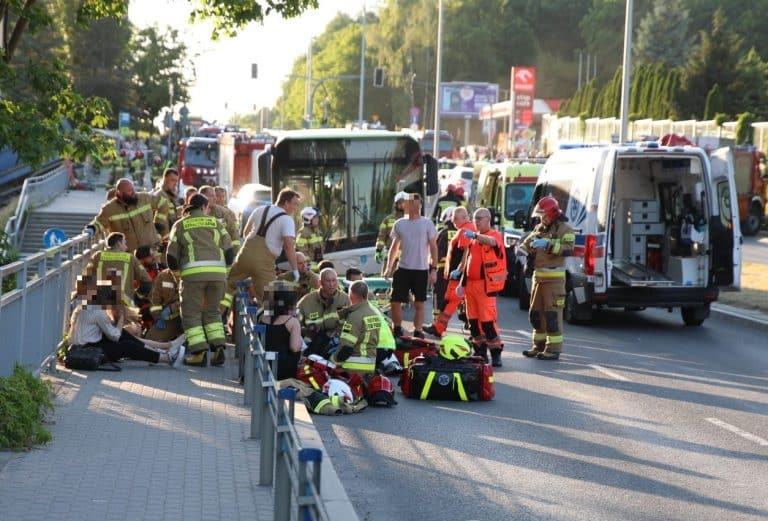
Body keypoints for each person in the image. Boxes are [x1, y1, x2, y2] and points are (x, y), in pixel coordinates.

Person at [166, 194, 234, 367]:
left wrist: (177, 276)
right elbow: (229, 252)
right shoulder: (216, 223)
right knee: (213, 312)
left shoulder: (180, 225)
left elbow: (171, 257)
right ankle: (218, 348)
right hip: (218, 276)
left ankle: (199, 352)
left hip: (192, 276)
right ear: (204, 207)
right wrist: (223, 273)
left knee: (191, 314)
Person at [68, 280, 185, 368]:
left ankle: (163, 348)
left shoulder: (86, 306)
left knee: (123, 335)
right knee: (128, 346)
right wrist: (121, 319)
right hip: (88, 351)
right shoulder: (98, 311)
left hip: (81, 347)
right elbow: (115, 336)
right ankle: (167, 358)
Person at [517, 196, 574, 361]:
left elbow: (568, 249)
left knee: (552, 315)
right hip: (538, 279)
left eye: (544, 215)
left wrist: (548, 244)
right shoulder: (540, 228)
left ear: (552, 213)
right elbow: (528, 242)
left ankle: (553, 349)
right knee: (536, 314)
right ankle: (538, 346)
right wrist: (523, 249)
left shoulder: (566, 229)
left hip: (554, 280)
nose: (542, 218)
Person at [223, 188, 301, 307]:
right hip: (264, 263)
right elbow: (289, 247)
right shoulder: (287, 220)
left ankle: (218, 313)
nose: (296, 208)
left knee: (230, 284)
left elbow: (246, 232)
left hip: (244, 255)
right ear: (286, 203)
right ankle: (263, 318)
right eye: (295, 204)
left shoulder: (259, 209)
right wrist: (295, 270)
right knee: (269, 299)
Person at [383, 192, 438, 338]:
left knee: (419, 303)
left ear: (420, 205)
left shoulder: (427, 223)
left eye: (416, 204)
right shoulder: (399, 224)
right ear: (406, 205)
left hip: (421, 270)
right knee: (395, 301)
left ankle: (418, 330)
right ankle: (397, 328)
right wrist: (389, 267)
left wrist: (434, 269)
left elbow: (433, 247)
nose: (414, 207)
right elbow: (394, 247)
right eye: (410, 204)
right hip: (403, 269)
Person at [457, 207, 506, 367]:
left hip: (486, 286)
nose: (476, 221)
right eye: (475, 218)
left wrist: (476, 235)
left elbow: (492, 242)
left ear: (488, 219)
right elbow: (467, 262)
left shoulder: (494, 235)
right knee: (473, 322)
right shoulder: (473, 239)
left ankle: (496, 353)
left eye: (479, 218)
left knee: (487, 322)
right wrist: (461, 283)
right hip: (471, 286)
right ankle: (480, 352)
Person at [425, 206, 476, 338]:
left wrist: (460, 269)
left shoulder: (466, 229)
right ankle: (438, 328)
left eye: (455, 219)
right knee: (450, 302)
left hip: (461, 276)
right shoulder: (464, 229)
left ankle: (477, 333)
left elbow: (467, 251)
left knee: (457, 302)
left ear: (463, 218)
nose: (453, 222)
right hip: (458, 275)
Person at [85, 178, 171, 253]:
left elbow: (163, 203)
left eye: (133, 189)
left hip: (151, 251)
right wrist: (92, 228)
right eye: (129, 191)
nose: (133, 193)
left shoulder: (144, 198)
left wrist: (159, 222)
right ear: (120, 193)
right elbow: (100, 222)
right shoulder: (109, 209)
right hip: (129, 255)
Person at [333, 280, 396, 374]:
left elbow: (346, 348)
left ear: (351, 295)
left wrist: (332, 361)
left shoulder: (354, 316)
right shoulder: (373, 311)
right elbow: (390, 323)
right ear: (366, 294)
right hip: (377, 355)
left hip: (354, 366)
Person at [84, 232, 152, 308]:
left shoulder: (97, 256)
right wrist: (137, 296)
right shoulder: (130, 258)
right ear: (119, 243)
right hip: (124, 305)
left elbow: (86, 278)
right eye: (125, 243)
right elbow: (147, 281)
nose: (126, 247)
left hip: (101, 304)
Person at [297, 267, 351, 357]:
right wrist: (307, 331)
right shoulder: (306, 301)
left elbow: (350, 325)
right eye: (328, 281)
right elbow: (295, 324)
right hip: (311, 344)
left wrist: (335, 338)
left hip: (335, 344)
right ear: (320, 283)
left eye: (334, 280)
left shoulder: (345, 299)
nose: (332, 284)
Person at [259, 281, 303, 380]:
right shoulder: (292, 322)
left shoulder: (262, 317)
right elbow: (294, 348)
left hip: (262, 363)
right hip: (282, 369)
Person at [424, 207, 457, 334]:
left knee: (438, 297)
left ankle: (436, 325)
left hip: (442, 271)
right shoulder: (462, 232)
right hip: (458, 273)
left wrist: (432, 269)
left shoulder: (443, 233)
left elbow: (436, 252)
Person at [144, 267, 183, 342]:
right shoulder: (162, 276)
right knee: (150, 339)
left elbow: (190, 299)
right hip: (169, 319)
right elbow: (154, 300)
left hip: (189, 317)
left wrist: (172, 308)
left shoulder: (191, 275)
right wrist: (158, 317)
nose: (176, 277)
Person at [199, 185, 241, 254]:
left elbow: (234, 233)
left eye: (223, 196)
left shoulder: (227, 213)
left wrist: (235, 252)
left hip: (221, 252)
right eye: (217, 196)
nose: (219, 199)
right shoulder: (195, 212)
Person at [375, 191, 407, 267]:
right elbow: (381, 236)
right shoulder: (388, 219)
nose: (401, 205)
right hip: (390, 258)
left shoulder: (413, 219)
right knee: (387, 274)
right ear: (395, 204)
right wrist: (378, 250)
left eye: (404, 202)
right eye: (399, 203)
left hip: (407, 258)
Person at [153, 168, 181, 234]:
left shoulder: (169, 196)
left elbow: (170, 216)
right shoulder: (159, 195)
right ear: (165, 179)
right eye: (173, 180)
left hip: (169, 234)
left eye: (176, 181)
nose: (175, 184)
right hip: (162, 236)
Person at [296, 207, 324, 271]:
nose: (317, 219)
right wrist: (308, 267)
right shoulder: (303, 233)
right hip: (310, 270)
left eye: (317, 217)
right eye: (315, 217)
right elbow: (302, 253)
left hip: (318, 268)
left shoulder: (317, 231)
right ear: (307, 218)